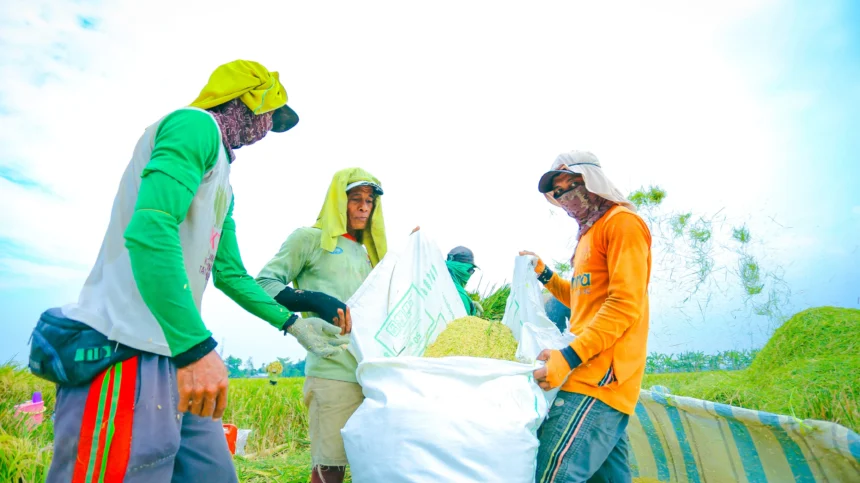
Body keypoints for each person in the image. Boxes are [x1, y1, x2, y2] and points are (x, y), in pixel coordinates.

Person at [27, 60, 349, 483]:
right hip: (126, 346)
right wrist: (196, 348)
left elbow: (231, 275)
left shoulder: (224, 181)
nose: (268, 128)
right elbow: (150, 230)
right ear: (248, 102)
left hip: (174, 353)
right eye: (270, 115)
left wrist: (293, 324)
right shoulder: (193, 126)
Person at [522, 150, 652, 483]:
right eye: (559, 190)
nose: (567, 195)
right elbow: (580, 300)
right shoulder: (587, 237)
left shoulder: (622, 224)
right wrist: (544, 273)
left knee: (550, 475)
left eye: (573, 183)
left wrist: (568, 358)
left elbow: (624, 304)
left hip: (597, 377)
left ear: (595, 181)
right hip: (589, 371)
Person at [256, 168, 387, 483]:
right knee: (330, 469)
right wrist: (315, 300)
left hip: (375, 372)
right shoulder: (310, 239)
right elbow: (263, 286)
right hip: (332, 369)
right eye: (355, 199)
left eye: (370, 201)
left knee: (379, 464)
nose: (363, 207)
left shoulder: (375, 253)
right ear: (336, 200)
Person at [446, 246, 484, 316]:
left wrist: (471, 304)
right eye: (470, 270)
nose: (470, 274)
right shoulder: (460, 295)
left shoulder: (434, 277)